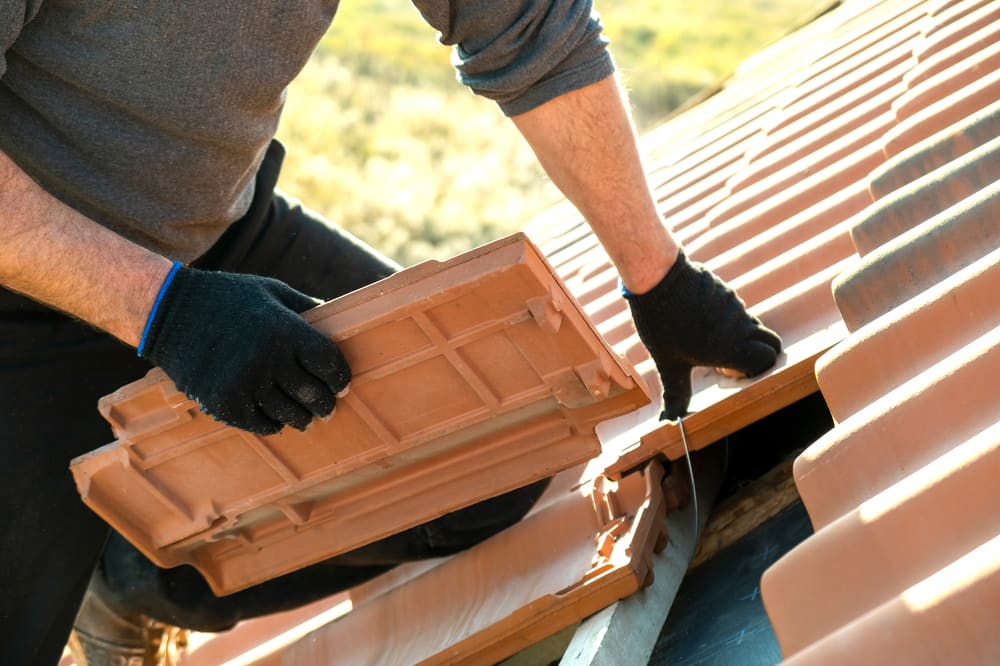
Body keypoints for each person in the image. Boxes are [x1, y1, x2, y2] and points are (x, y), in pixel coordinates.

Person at [0, 1, 781, 664]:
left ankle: (131, 578)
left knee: (488, 453)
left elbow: (530, 28)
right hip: (18, 295)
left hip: (214, 237)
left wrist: (658, 276)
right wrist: (163, 308)